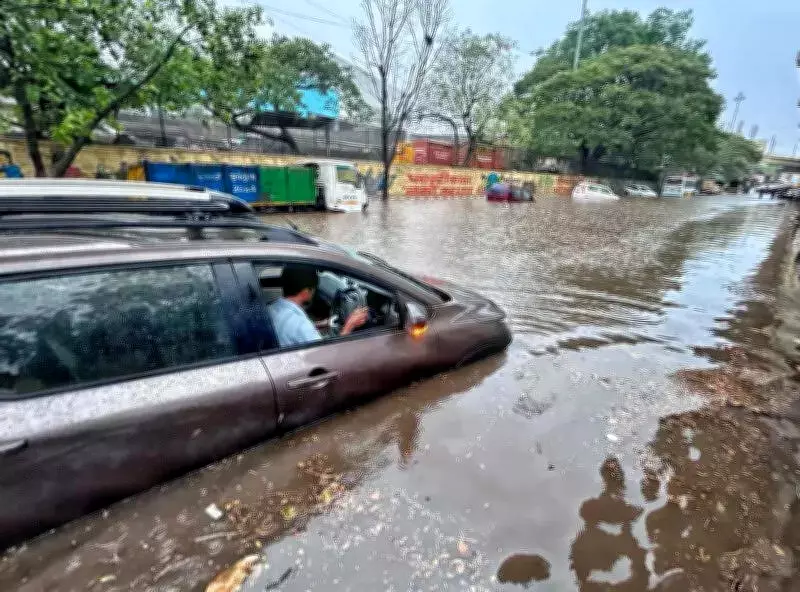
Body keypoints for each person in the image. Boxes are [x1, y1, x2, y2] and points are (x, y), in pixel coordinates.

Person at [268, 266, 368, 348]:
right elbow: (328, 357)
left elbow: (292, 329)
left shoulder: (271, 308)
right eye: (314, 289)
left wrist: (320, 324)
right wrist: (349, 325)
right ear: (306, 292)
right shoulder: (301, 325)